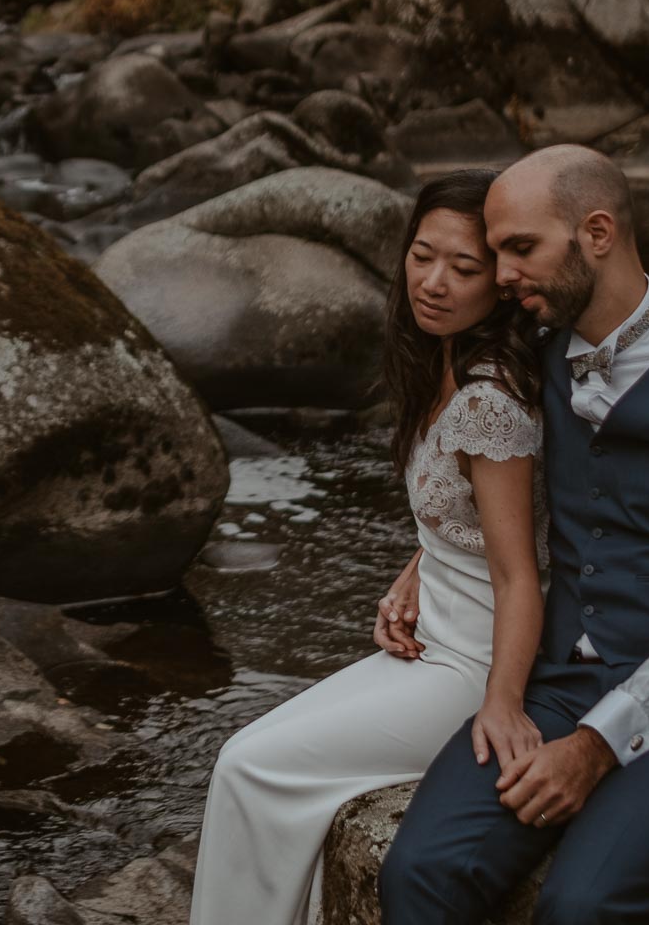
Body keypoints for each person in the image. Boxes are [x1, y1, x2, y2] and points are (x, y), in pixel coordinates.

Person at [378, 144, 649, 925]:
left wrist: (596, 746)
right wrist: (421, 565)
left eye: (520, 248)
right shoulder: (537, 353)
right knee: (419, 872)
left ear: (597, 233)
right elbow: (501, 498)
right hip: (562, 683)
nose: (501, 275)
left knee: (580, 907)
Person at [191, 169, 549, 925]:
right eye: (423, 256)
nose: (434, 283)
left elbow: (520, 573)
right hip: (435, 635)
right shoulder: (438, 361)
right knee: (246, 757)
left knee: (251, 768)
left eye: (465, 268)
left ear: (503, 282)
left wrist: (504, 705)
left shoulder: (491, 400)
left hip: (475, 663)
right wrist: (415, 572)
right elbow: (464, 521)